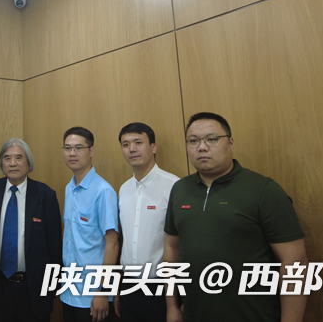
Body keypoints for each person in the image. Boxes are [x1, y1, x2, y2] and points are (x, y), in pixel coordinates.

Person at [163, 112, 308, 322]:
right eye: (193, 141)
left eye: (212, 139)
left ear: (230, 142)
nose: (202, 147)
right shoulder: (180, 189)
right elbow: (172, 247)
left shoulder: (263, 190)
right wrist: (172, 307)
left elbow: (295, 262)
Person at [0, 138, 62, 322]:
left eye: (18, 157)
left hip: (34, 288)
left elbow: (55, 245)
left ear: (28, 162)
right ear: (1, 163)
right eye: (7, 158)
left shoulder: (45, 195)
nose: (13, 163)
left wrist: (54, 284)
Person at [115, 123, 178, 322]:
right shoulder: (124, 189)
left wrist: (174, 304)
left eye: (138, 142)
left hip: (160, 287)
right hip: (128, 285)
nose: (131, 149)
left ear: (153, 147)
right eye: (125, 144)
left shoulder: (174, 186)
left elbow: (180, 244)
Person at [61, 126, 119, 322]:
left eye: (78, 148)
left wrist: (102, 290)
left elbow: (112, 243)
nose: (72, 153)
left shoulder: (103, 191)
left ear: (91, 151)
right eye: (67, 148)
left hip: (93, 296)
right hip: (69, 291)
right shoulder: (69, 188)